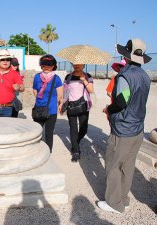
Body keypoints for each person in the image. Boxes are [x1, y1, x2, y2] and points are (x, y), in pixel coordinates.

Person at [98, 38, 151, 214]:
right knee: (128, 166)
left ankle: (114, 203)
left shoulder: (125, 75)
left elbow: (120, 102)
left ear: (125, 55)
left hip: (123, 128)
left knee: (114, 165)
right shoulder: (145, 75)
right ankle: (123, 199)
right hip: (138, 128)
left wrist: (108, 108)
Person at [63, 63, 94, 162]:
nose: (77, 65)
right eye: (74, 63)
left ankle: (75, 143)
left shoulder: (87, 76)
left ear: (83, 65)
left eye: (79, 64)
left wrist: (84, 80)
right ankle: (76, 151)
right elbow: (65, 91)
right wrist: (61, 103)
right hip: (71, 106)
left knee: (84, 129)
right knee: (73, 129)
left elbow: (91, 90)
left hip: (83, 106)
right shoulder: (68, 77)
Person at [32, 54, 63, 152]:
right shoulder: (37, 77)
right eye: (43, 65)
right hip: (38, 108)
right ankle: (38, 150)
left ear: (53, 66)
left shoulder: (56, 79)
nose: (46, 67)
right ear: (41, 66)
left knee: (49, 133)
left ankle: (48, 151)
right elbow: (34, 91)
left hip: (51, 110)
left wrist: (58, 104)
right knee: (37, 131)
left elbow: (60, 95)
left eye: (48, 65)